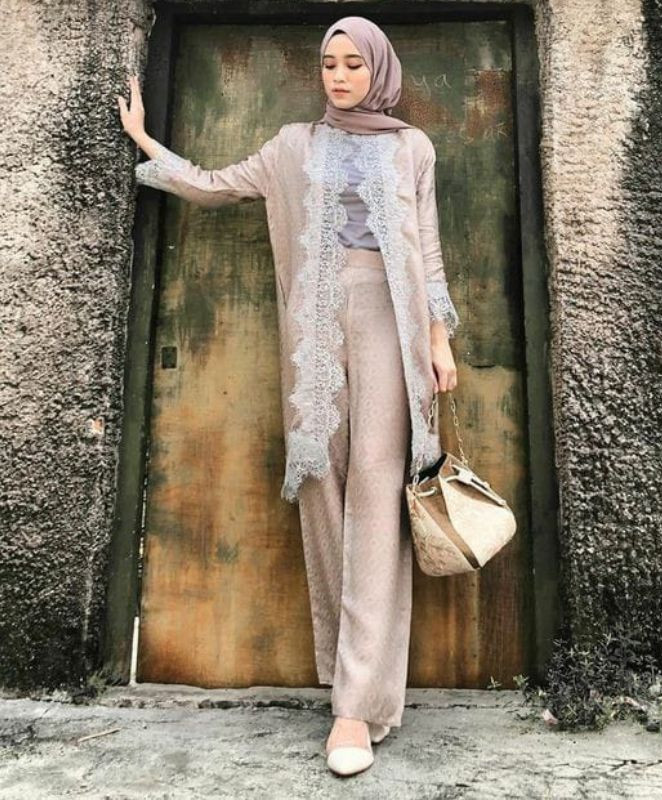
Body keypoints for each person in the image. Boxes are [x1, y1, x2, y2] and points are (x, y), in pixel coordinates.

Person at [118, 15, 460, 777]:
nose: (339, 76)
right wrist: (145, 143)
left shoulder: (412, 147)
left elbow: (429, 249)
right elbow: (214, 186)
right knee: (322, 492)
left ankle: (354, 709)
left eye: (353, 64)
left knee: (376, 492)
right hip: (313, 330)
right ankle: (352, 688)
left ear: (379, 69)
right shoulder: (293, 145)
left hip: (393, 324)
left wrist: (440, 340)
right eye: (329, 63)